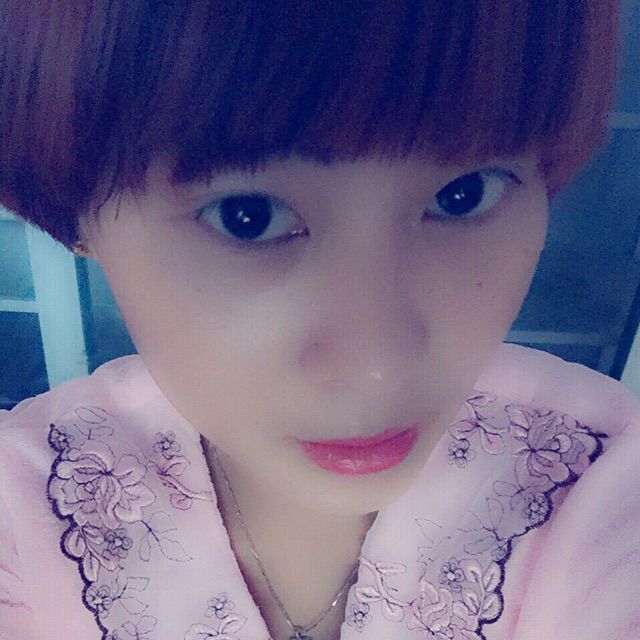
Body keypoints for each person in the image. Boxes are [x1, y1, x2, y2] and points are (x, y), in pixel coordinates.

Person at [0, 2, 637, 639]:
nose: (376, 368)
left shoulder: (597, 485)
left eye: (462, 194)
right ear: (79, 218)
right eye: (248, 216)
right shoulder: (23, 511)